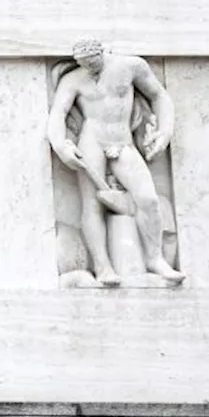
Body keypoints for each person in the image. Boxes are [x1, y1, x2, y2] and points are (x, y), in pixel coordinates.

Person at [47, 38, 184, 286]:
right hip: (92, 139)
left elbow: (159, 95)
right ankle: (103, 266)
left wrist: (165, 131)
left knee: (148, 199)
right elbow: (58, 112)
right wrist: (61, 145)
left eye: (94, 63)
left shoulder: (131, 66)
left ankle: (155, 259)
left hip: (123, 140)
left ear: (102, 53)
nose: (91, 69)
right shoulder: (74, 79)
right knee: (91, 204)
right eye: (85, 65)